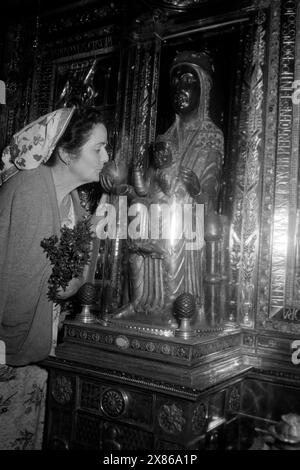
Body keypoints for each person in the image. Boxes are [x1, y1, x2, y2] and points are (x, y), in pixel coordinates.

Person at [0, 106, 110, 449]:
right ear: (64, 152)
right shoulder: (31, 189)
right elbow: (14, 287)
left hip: (33, 349)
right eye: (99, 148)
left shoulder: (73, 201)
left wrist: (90, 230)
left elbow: (64, 287)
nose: (107, 156)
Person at [112, 51, 224, 327]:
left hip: (189, 219)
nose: (180, 89)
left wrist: (196, 189)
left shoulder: (212, 136)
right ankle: (138, 301)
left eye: (189, 81)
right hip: (158, 211)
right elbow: (148, 187)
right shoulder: (164, 138)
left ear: (203, 88)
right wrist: (132, 189)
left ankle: (175, 306)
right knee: (136, 229)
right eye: (176, 82)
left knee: (172, 226)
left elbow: (209, 189)